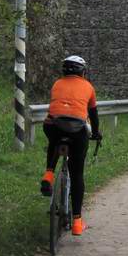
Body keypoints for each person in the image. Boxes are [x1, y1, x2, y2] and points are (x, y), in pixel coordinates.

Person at [41, 55, 102, 236]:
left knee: (54, 139)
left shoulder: (57, 84)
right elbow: (93, 114)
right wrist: (96, 132)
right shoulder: (88, 87)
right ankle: (77, 222)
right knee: (76, 173)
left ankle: (49, 174)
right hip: (77, 131)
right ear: (83, 72)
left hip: (54, 126)